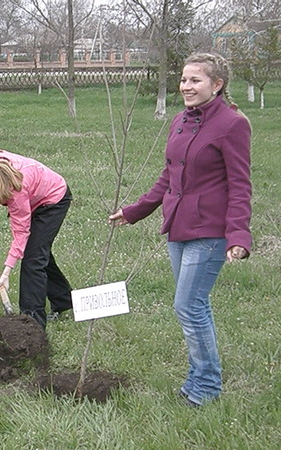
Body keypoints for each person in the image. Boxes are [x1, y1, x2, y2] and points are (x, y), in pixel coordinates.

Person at [108, 53, 252, 407]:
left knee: (189, 306)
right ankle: (197, 377)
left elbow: (240, 185)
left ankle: (206, 386)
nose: (186, 86)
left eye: (195, 81)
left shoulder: (232, 125)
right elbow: (168, 176)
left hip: (210, 230)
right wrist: (135, 211)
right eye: (184, 80)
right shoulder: (180, 120)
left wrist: (238, 235)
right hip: (179, 227)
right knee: (193, 306)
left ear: (216, 85)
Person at [0, 149, 73, 329]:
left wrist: (6, 272)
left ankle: (31, 324)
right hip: (34, 197)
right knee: (39, 251)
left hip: (53, 200)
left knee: (33, 258)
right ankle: (64, 300)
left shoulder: (16, 188)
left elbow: (21, 233)